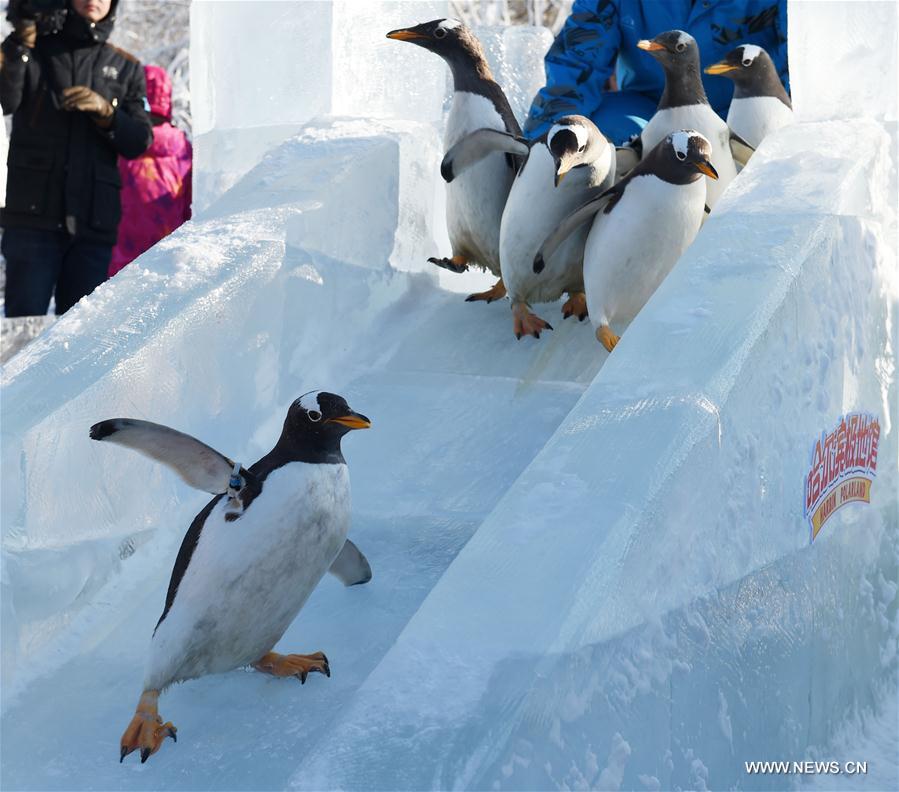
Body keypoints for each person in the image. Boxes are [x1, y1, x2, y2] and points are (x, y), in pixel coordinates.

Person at [0, 0, 152, 317]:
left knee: (80, 339)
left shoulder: (126, 66)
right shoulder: (36, 49)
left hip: (92, 226)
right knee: (21, 329)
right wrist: (18, 42)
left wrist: (110, 115)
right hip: (32, 219)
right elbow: (6, 98)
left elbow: (140, 141)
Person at [525, 0, 789, 145]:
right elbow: (577, 62)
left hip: (742, 116)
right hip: (648, 113)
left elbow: (802, 65)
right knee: (590, 134)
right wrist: (544, 144)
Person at [109, 64, 192, 277]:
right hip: (166, 266)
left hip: (117, 266)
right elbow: (191, 209)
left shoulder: (116, 144)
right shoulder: (183, 149)